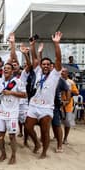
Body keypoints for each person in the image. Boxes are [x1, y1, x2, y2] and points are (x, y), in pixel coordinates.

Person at [25, 31, 63, 159]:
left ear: (51, 66)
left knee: (45, 131)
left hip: (47, 108)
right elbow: (34, 58)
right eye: (43, 64)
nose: (45, 66)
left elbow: (58, 59)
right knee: (28, 128)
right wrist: (32, 45)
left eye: (48, 64)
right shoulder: (38, 72)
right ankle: (36, 143)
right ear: (41, 66)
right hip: (33, 106)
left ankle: (44, 152)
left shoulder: (55, 74)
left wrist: (56, 44)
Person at [52, 71, 70, 153]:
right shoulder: (43, 77)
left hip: (55, 106)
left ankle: (60, 145)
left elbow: (68, 90)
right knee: (44, 125)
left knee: (57, 125)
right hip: (44, 106)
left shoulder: (60, 80)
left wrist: (67, 100)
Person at [61, 67, 79, 145]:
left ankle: (65, 139)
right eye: (61, 72)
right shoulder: (57, 80)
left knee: (67, 123)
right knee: (55, 122)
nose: (62, 73)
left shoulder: (71, 82)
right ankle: (56, 136)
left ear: (67, 73)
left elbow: (77, 93)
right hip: (58, 105)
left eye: (64, 72)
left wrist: (68, 92)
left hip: (68, 105)